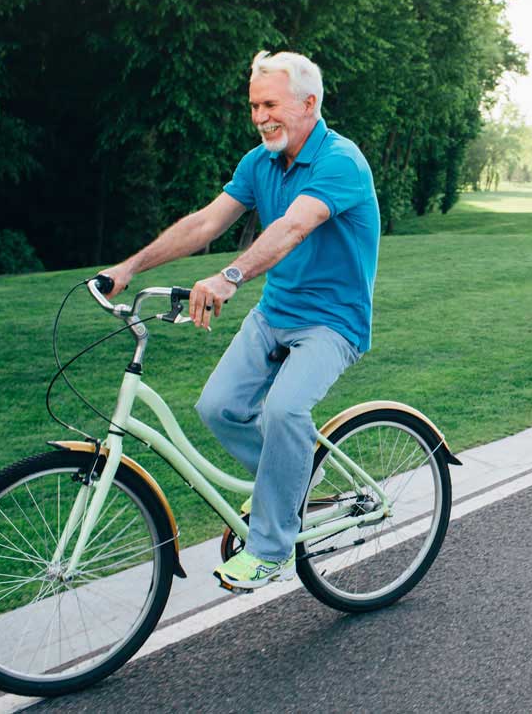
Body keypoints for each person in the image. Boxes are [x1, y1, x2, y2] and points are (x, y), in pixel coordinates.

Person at [99, 50, 380, 589]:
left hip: (333, 321)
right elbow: (205, 223)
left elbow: (294, 227)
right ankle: (290, 482)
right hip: (276, 312)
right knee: (218, 407)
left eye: (270, 104)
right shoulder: (259, 163)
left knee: (284, 411)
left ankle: (272, 548)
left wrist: (229, 277)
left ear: (309, 103)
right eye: (254, 106)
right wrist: (129, 268)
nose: (260, 116)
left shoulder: (339, 161)